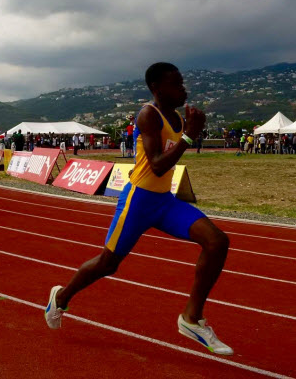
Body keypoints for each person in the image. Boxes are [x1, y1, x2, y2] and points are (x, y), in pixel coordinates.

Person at [44, 62, 233, 356]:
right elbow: (157, 165)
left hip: (164, 202)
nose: (183, 88)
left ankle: (191, 319)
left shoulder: (179, 118)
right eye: (176, 84)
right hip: (138, 201)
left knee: (217, 241)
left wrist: (187, 132)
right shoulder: (149, 115)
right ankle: (61, 297)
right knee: (108, 264)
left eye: (183, 82)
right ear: (157, 88)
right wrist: (188, 137)